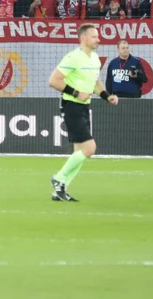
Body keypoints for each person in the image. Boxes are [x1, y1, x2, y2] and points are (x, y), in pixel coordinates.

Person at [47, 23, 119, 202]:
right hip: (72, 106)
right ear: (84, 38)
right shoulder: (73, 57)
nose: (98, 39)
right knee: (89, 148)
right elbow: (54, 80)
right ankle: (58, 178)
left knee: (79, 152)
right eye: (94, 37)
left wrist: (106, 96)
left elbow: (95, 83)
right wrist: (76, 93)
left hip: (84, 106)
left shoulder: (95, 59)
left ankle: (60, 190)